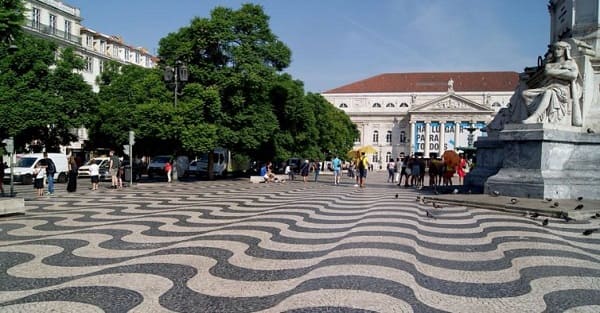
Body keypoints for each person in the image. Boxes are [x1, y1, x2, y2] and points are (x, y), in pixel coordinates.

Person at [520, 41, 581, 124]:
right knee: (525, 93)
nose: (556, 51)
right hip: (547, 87)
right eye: (555, 49)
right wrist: (563, 71)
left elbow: (573, 75)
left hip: (562, 89)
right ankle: (534, 115)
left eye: (559, 49)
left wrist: (554, 72)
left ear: (565, 51)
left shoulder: (570, 63)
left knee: (549, 92)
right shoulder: (549, 65)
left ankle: (535, 117)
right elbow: (547, 72)